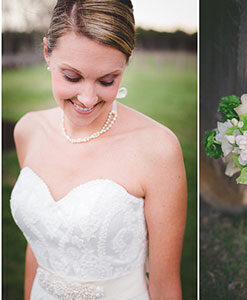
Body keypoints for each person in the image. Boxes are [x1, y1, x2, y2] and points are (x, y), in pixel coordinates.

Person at [10, 0, 187, 299]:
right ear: (47, 53)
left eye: (107, 81)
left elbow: (164, 284)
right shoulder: (28, 131)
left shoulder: (158, 149)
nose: (88, 98)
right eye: (72, 77)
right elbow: (38, 244)